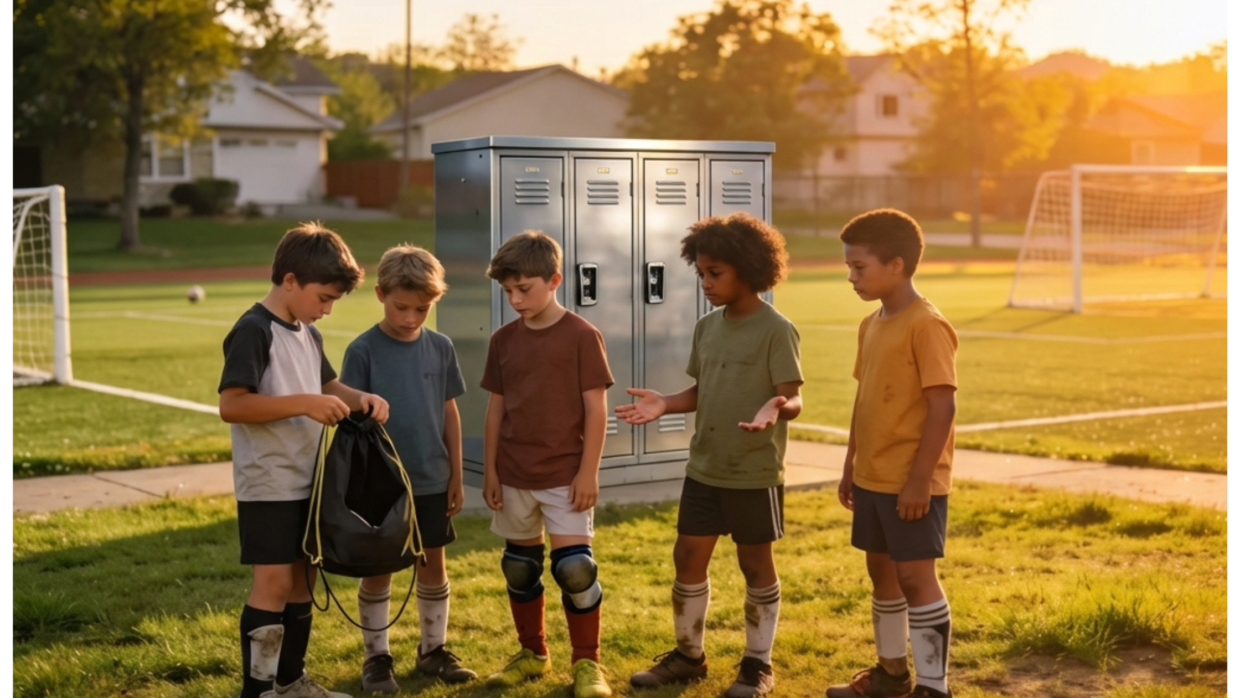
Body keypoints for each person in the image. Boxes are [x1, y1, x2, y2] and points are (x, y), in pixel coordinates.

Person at [619, 212, 803, 698]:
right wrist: (666, 402)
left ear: (750, 268)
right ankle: (688, 656)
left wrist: (776, 406)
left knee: (755, 565)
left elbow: (794, 397)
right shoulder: (707, 326)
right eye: (700, 273)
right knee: (687, 556)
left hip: (754, 472)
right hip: (705, 468)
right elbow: (702, 389)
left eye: (715, 273)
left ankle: (757, 664)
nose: (705, 282)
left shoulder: (777, 329)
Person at [218, 222, 390, 698]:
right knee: (272, 585)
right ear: (290, 280)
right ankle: (258, 691)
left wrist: (362, 398)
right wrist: (302, 403)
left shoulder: (306, 331)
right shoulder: (254, 330)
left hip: (311, 483)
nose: (327, 310)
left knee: (302, 583)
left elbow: (327, 386)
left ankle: (291, 682)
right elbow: (232, 405)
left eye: (334, 301)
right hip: (268, 483)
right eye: (324, 297)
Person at [823, 208, 958, 698]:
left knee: (916, 578)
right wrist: (849, 465)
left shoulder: (927, 325)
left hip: (911, 481)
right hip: (871, 476)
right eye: (850, 267)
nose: (851, 276)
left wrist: (920, 480)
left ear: (897, 265)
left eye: (860, 267)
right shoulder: (870, 323)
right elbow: (864, 400)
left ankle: (934, 687)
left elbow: (942, 406)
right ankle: (891, 675)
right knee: (881, 571)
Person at [479, 231, 615, 698]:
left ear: (555, 279)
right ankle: (533, 652)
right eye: (508, 292)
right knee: (519, 567)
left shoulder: (581, 335)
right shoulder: (502, 340)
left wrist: (588, 471)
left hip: (565, 474)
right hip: (514, 472)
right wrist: (492, 471)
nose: (516, 300)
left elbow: (596, 409)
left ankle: (587, 664)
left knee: (575, 569)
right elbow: (496, 408)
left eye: (525, 289)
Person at [339, 244, 476, 693]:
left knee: (431, 562)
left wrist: (456, 474)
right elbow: (353, 424)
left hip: (433, 479)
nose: (412, 317)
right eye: (402, 307)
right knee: (378, 566)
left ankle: (432, 651)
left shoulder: (441, 347)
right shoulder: (362, 351)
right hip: (382, 485)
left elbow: (449, 413)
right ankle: (376, 658)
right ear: (380, 293)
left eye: (423, 308)